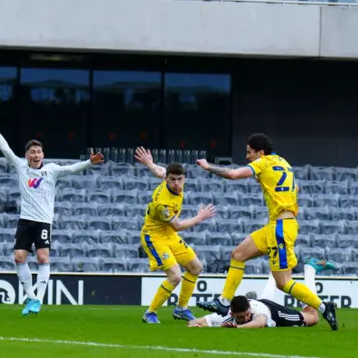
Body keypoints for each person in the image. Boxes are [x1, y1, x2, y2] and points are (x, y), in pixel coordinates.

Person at [193, 133, 338, 331]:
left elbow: (235, 175)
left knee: (283, 282)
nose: (247, 157)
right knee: (238, 255)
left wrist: (208, 167)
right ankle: (224, 302)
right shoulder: (283, 162)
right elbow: (297, 188)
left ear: (260, 152)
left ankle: (324, 307)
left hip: (280, 228)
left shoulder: (264, 162)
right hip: (276, 226)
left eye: (249, 152)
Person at [0, 110, 104, 316]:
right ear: (27, 156)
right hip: (25, 221)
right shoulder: (21, 167)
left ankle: (37, 300)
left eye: (39, 152)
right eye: (33, 152)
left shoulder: (52, 170)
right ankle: (31, 297)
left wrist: (89, 163)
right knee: (19, 258)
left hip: (43, 222)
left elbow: (73, 169)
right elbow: (5, 148)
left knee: (42, 257)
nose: (36, 155)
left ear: (43, 155)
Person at [135, 146, 216, 324]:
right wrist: (199, 217)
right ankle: (150, 312)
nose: (177, 184)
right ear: (168, 181)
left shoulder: (169, 179)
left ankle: (181, 308)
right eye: (173, 180)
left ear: (184, 178)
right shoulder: (162, 203)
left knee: (196, 267)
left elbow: (160, 171)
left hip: (169, 235)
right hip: (154, 237)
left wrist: (149, 163)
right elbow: (178, 226)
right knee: (175, 277)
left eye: (180, 179)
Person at [187, 258, 336, 328]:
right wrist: (195, 326)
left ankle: (310, 270)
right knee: (265, 299)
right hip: (261, 303)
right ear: (231, 314)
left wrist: (238, 327)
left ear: (249, 310)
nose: (246, 318)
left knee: (313, 317)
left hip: (273, 312)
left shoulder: (254, 314)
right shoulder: (224, 317)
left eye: (247, 314)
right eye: (241, 317)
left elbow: (260, 322)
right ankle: (274, 273)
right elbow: (193, 322)